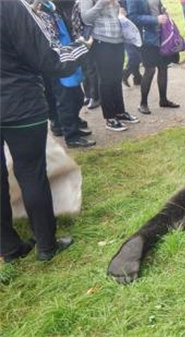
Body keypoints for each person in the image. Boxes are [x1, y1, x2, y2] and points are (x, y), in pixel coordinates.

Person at [0, 0, 89, 262]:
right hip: (20, 105)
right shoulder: (10, 6)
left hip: (17, 103)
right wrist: (81, 47)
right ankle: (46, 245)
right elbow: (49, 59)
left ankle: (9, 247)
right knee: (32, 173)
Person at [35, 0, 97, 148]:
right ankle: (71, 136)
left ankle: (74, 125)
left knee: (77, 96)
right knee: (65, 100)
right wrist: (79, 45)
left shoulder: (53, 8)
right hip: (58, 61)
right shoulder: (40, 11)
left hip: (68, 56)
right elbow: (52, 40)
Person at [81, 0, 140, 131]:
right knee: (106, 80)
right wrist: (102, 3)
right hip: (101, 40)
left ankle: (120, 112)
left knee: (116, 79)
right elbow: (85, 18)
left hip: (118, 39)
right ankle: (110, 118)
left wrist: (121, 12)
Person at [128, 0, 180, 115]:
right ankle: (143, 103)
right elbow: (132, 17)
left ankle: (163, 100)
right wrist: (155, 19)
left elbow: (156, 7)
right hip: (147, 38)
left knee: (163, 67)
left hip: (161, 35)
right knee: (150, 69)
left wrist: (163, 11)